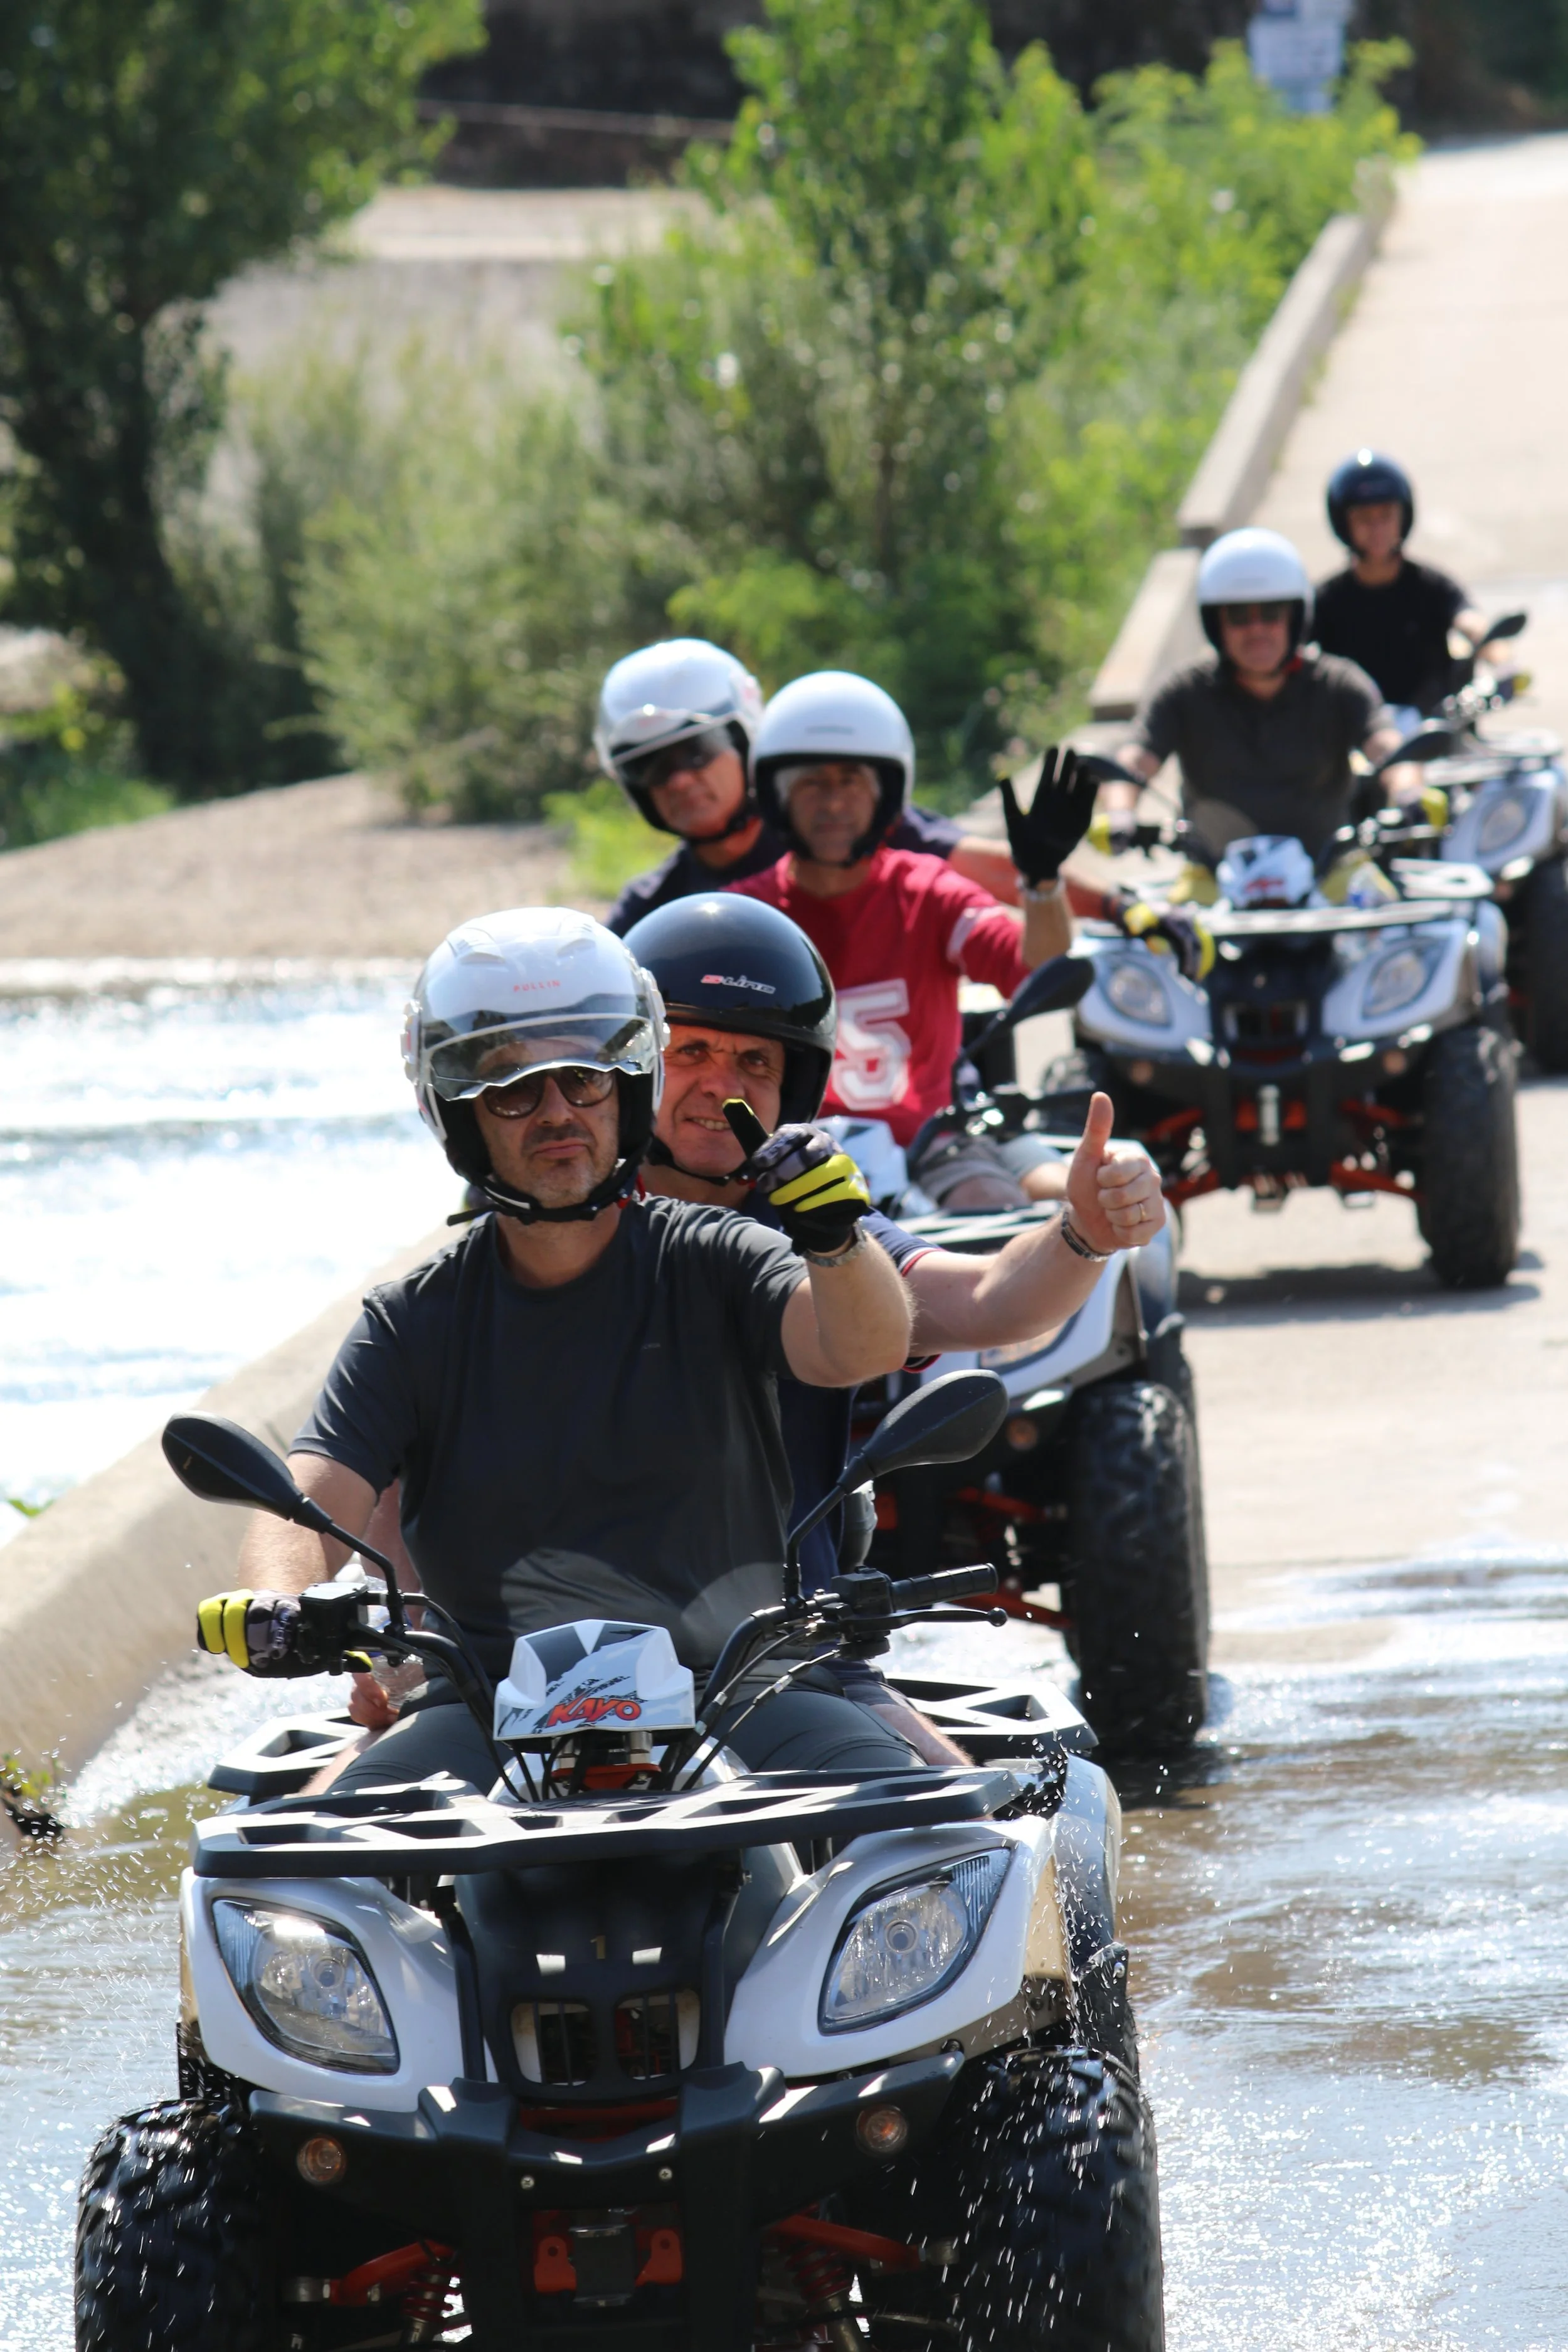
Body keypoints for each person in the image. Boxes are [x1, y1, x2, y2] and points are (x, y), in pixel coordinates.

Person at [194, 906, 923, 1793]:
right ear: (457, 1111)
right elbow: (312, 1496)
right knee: (300, 1888)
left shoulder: (722, 1257)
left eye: (584, 1080)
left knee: (936, 1847)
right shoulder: (410, 1318)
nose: (557, 1113)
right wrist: (278, 1599)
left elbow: (861, 1344)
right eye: (512, 1087)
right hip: (485, 1707)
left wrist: (838, 1240)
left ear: (629, 1089)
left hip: (743, 1689)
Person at [622, 890, 1166, 1759]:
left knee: (982, 1847)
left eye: (755, 1062)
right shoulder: (553, 1229)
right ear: (633, 1060)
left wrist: (1080, 1235)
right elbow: (400, 1438)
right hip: (554, 1669)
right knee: (340, 1858)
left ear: (793, 1085)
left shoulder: (820, 1226)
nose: (721, 1084)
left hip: (787, 1654)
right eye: (690, 1051)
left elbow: (986, 1297)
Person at [726, 670, 1102, 1210]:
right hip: (790, 1156)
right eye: (811, 782)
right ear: (777, 794)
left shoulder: (928, 892)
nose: (832, 803)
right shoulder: (744, 916)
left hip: (933, 1141)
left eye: (851, 780)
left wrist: (1042, 881)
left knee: (997, 1219)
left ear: (886, 792)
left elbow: (1035, 968)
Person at [596, 637, 1022, 935]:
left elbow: (999, 870)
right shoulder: (653, 910)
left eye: (697, 752)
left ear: (748, 740)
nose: (680, 779)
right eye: (649, 768)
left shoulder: (832, 827)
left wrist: (1086, 901)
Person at [1103, 527, 1407, 874]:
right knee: (1160, 928)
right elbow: (1134, 760)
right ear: (1215, 623)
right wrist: (1119, 813)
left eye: (1272, 613)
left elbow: (1387, 746)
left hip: (1331, 874)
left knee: (1403, 927)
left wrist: (1410, 791)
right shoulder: (1183, 690)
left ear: (1295, 617)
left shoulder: (1339, 683)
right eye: (1238, 617)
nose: (1257, 630)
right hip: (1213, 879)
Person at [1312, 450, 1500, 723]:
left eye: (1386, 515)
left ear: (1404, 516)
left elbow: (1471, 622)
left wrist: (1497, 653)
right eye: (1364, 518)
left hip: (1433, 733)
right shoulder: (1326, 601)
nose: (1377, 528)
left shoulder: (1432, 586)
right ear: (1344, 523)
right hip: (1355, 739)